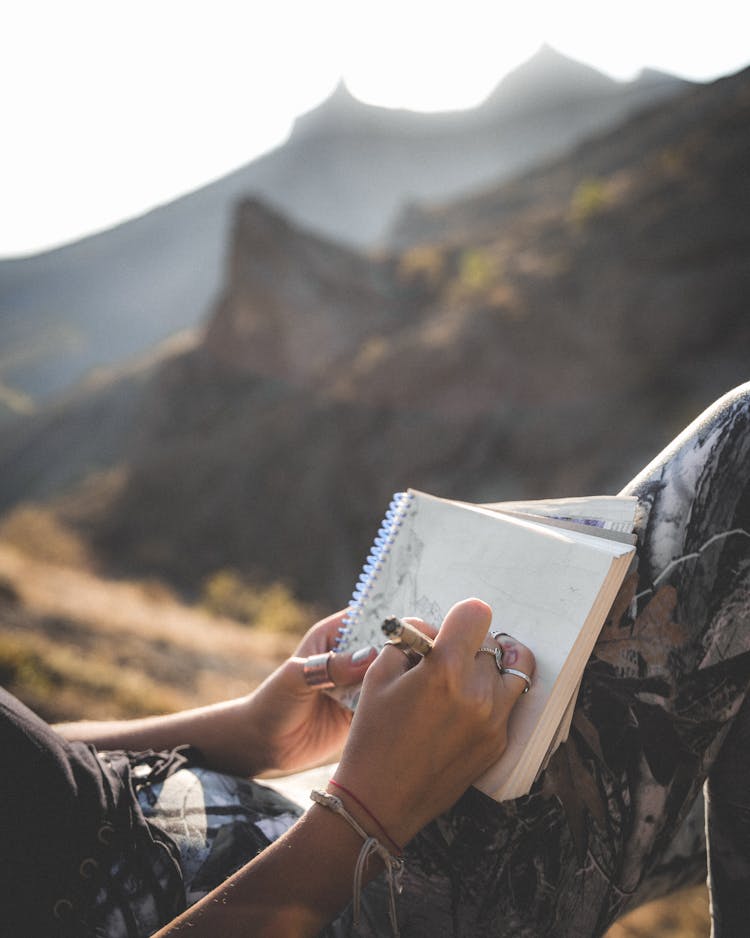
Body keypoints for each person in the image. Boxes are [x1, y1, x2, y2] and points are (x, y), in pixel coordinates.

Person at [3, 381, 750, 937]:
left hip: (299, 825)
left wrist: (248, 731)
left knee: (701, 775)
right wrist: (362, 816)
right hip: (328, 876)